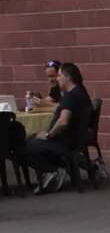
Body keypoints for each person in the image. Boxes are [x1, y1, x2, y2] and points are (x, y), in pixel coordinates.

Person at [25, 62, 92, 194]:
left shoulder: (70, 96)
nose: (57, 78)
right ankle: (57, 170)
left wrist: (48, 135)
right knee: (35, 140)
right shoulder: (81, 92)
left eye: (60, 75)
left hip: (65, 142)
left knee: (26, 146)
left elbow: (63, 122)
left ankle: (52, 171)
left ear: (68, 77)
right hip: (76, 139)